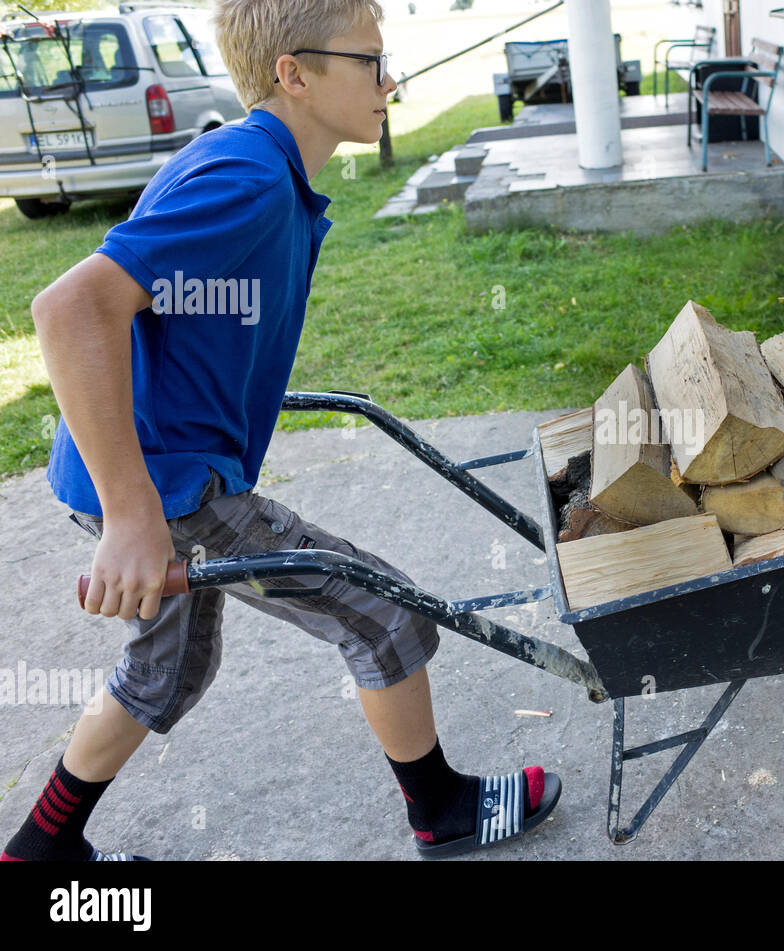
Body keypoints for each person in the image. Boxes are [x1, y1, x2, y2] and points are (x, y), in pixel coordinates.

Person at [3, 0, 559, 863]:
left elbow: (168, 314)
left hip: (155, 465)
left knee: (168, 669)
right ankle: (442, 808)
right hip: (166, 483)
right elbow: (71, 308)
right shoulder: (249, 178)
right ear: (294, 74)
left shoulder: (255, 165)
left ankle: (38, 852)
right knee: (381, 614)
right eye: (370, 62)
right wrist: (131, 515)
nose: (391, 81)